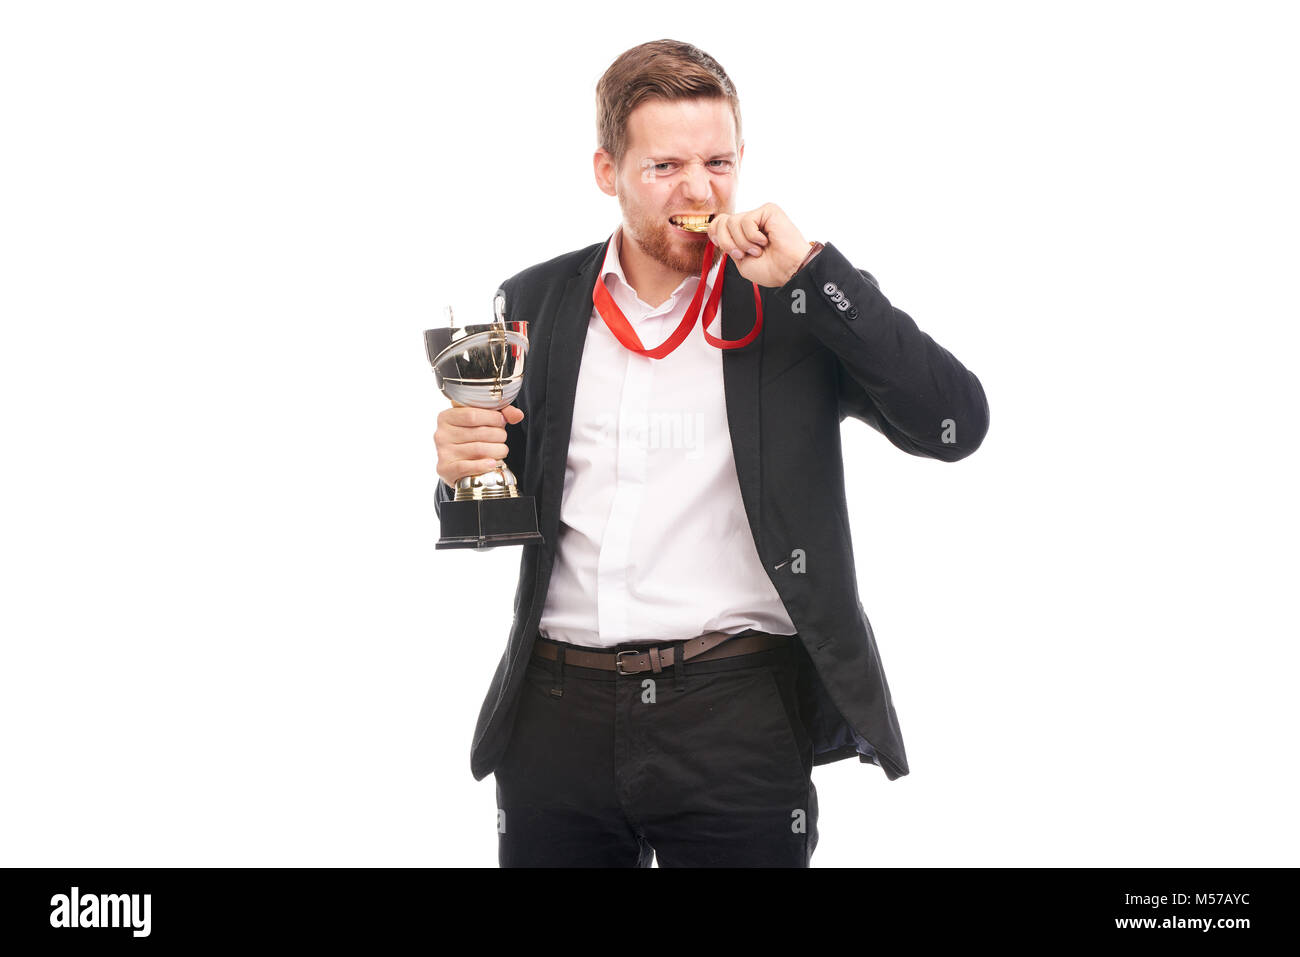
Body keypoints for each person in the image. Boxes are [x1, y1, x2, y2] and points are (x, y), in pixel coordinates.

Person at [432, 38, 989, 867]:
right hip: (554, 716)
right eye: (664, 167)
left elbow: (955, 422)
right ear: (605, 170)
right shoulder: (534, 301)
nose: (698, 191)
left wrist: (811, 271)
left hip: (735, 715)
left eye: (718, 162)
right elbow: (493, 512)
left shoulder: (796, 299)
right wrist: (459, 470)